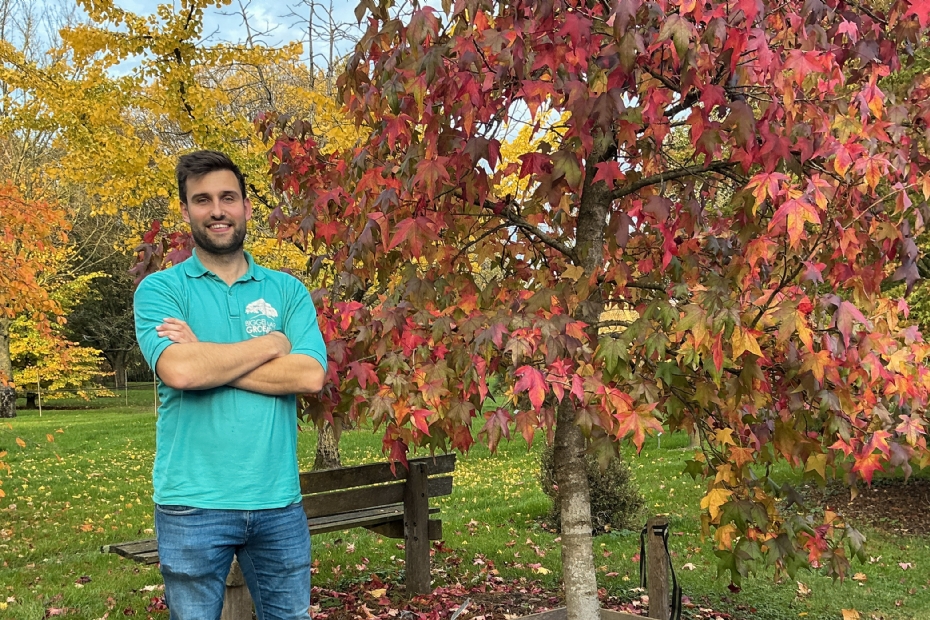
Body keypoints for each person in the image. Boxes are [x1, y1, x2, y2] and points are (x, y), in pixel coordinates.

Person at [133, 150, 327, 620]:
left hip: (277, 501)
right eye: (202, 200)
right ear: (185, 211)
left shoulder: (287, 290)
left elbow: (310, 376)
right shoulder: (160, 291)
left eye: (228, 197)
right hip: (192, 504)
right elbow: (181, 372)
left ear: (246, 206)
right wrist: (274, 342)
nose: (217, 210)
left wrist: (205, 352)